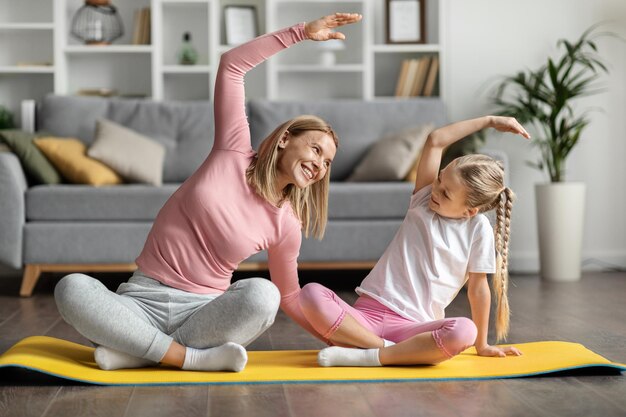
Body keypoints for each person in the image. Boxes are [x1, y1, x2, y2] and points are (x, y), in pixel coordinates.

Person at [53, 13, 362, 372]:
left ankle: (138, 350)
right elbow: (232, 67)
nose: (320, 165)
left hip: (204, 316)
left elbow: (291, 297)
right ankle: (181, 357)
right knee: (71, 288)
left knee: (265, 295)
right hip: (139, 302)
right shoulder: (232, 151)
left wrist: (349, 344)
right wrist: (300, 34)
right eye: (315, 149)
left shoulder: (286, 224)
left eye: (327, 162)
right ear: (284, 140)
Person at [299, 116, 530, 367]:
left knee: (465, 330)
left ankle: (368, 353)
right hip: (366, 317)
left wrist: (482, 344)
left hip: (413, 328)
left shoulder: (478, 230)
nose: (436, 190)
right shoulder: (422, 200)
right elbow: (435, 141)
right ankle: (383, 351)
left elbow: (478, 289)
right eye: (440, 179)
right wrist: (490, 120)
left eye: (446, 193)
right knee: (310, 294)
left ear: (470, 211)